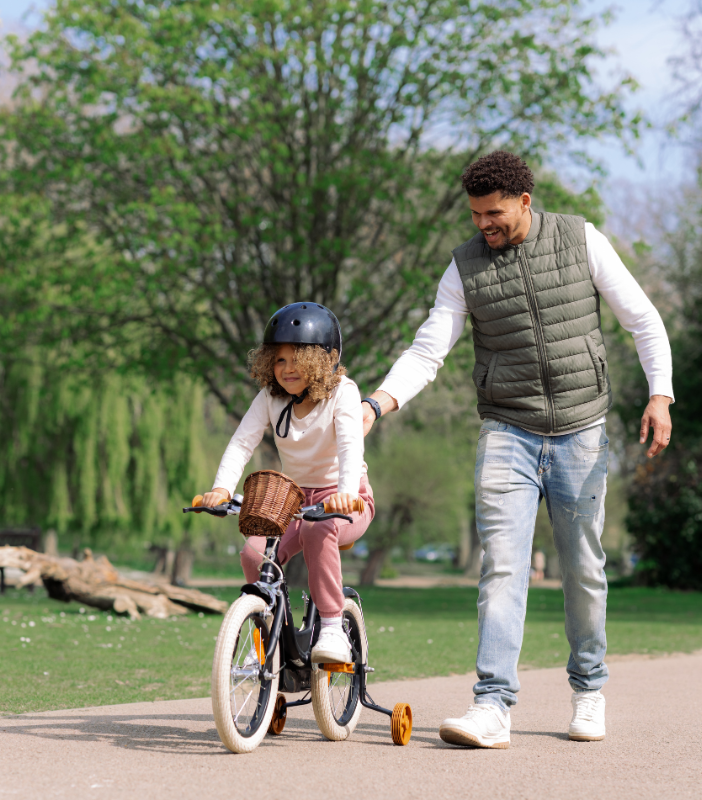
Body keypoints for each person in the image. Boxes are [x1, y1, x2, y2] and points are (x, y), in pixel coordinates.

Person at [361, 151, 673, 748]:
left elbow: (643, 319)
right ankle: (492, 705)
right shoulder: (464, 268)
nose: (484, 225)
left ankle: (589, 691)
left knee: (583, 568)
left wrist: (660, 394)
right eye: (475, 215)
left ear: (525, 202)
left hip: (581, 428)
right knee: (502, 566)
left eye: (494, 213)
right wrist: (377, 403)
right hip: (508, 429)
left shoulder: (581, 239)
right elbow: (429, 349)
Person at [200, 302, 375, 663]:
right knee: (254, 553)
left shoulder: (343, 392)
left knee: (317, 530)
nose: (287, 368)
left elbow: (349, 445)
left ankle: (332, 626)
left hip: (347, 498)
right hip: (293, 500)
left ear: (323, 360)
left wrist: (344, 494)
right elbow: (242, 442)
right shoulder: (271, 397)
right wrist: (221, 488)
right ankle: (266, 640)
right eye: (279, 360)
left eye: (298, 359)